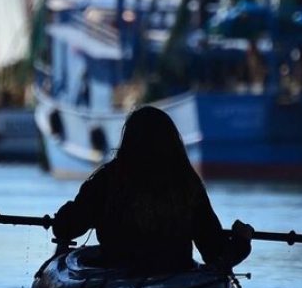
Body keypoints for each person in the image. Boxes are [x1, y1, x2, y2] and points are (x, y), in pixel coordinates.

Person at [52, 106, 252, 273]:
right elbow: (215, 253)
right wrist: (241, 240)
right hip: (175, 279)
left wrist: (63, 216)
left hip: (116, 277)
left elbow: (66, 227)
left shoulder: (106, 180)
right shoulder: (187, 185)